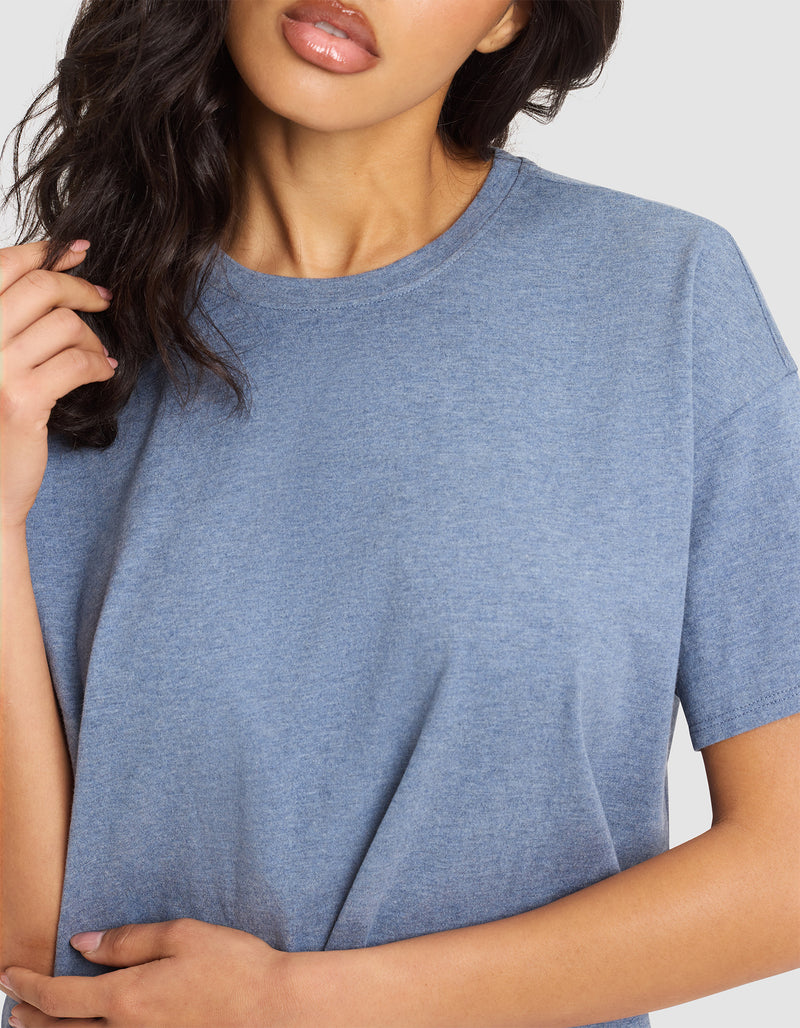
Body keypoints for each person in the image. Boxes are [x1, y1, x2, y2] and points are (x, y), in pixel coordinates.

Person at [0, 1, 798, 1026]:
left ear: (506, 19)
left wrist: (303, 1005)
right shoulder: (54, 350)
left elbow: (784, 866)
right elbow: (36, 952)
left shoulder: (660, 299)